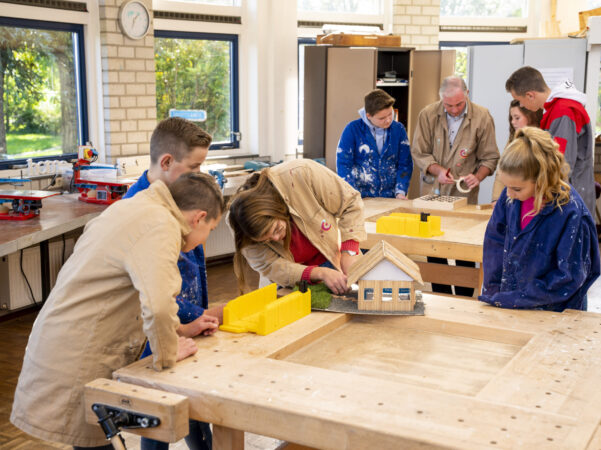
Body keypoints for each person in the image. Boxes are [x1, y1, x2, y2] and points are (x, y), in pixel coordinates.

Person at [11, 172, 225, 449]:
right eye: (211, 228)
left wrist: (181, 329)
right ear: (199, 217)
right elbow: (158, 306)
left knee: (97, 440)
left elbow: (145, 291)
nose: (205, 237)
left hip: (62, 340)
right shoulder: (162, 226)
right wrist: (169, 354)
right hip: (77, 354)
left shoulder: (136, 206)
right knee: (94, 441)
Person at [124, 117, 220, 450]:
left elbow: (190, 270)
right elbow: (152, 292)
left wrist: (199, 313)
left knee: (195, 406)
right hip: (157, 331)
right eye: (194, 167)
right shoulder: (140, 212)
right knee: (160, 417)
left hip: (185, 322)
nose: (199, 177)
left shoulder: (181, 200)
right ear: (166, 162)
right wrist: (191, 315)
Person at [480, 127, 600, 312]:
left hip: (555, 310)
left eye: (517, 189)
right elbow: (494, 245)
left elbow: (568, 278)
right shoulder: (510, 198)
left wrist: (517, 298)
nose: (509, 194)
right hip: (512, 302)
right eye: (507, 186)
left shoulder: (571, 213)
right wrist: (495, 294)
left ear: (542, 179)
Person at [411, 76, 500, 296]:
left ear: (467, 94)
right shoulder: (427, 114)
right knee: (434, 249)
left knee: (463, 249)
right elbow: (419, 152)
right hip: (433, 193)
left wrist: (477, 177)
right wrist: (437, 170)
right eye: (448, 105)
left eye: (459, 104)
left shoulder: (482, 116)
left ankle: (463, 295)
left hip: (464, 197)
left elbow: (490, 157)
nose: (453, 110)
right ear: (441, 98)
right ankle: (441, 296)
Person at [228, 159, 366, 295]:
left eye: (277, 229)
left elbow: (350, 202)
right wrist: (318, 273)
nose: (276, 238)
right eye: (266, 240)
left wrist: (349, 251)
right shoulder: (240, 225)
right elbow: (270, 266)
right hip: (286, 278)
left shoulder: (302, 173)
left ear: (279, 208)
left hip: (330, 257)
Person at [505, 66, 596, 216]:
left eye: (519, 100)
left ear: (530, 95)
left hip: (570, 197)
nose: (521, 105)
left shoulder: (562, 111)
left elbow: (562, 164)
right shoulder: (555, 110)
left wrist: (545, 197)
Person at [336, 88, 412, 199]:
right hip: (361, 196)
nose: (388, 120)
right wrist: (353, 195)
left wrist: (401, 191)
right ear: (368, 116)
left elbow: (405, 164)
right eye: (382, 118)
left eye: (390, 114)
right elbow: (344, 165)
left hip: (391, 197)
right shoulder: (352, 129)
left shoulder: (398, 129)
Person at [491, 99, 543, 201]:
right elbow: (502, 169)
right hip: (516, 200)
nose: (513, 122)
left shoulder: (543, 141)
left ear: (531, 116)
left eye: (517, 118)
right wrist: (496, 199)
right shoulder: (513, 140)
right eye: (512, 118)